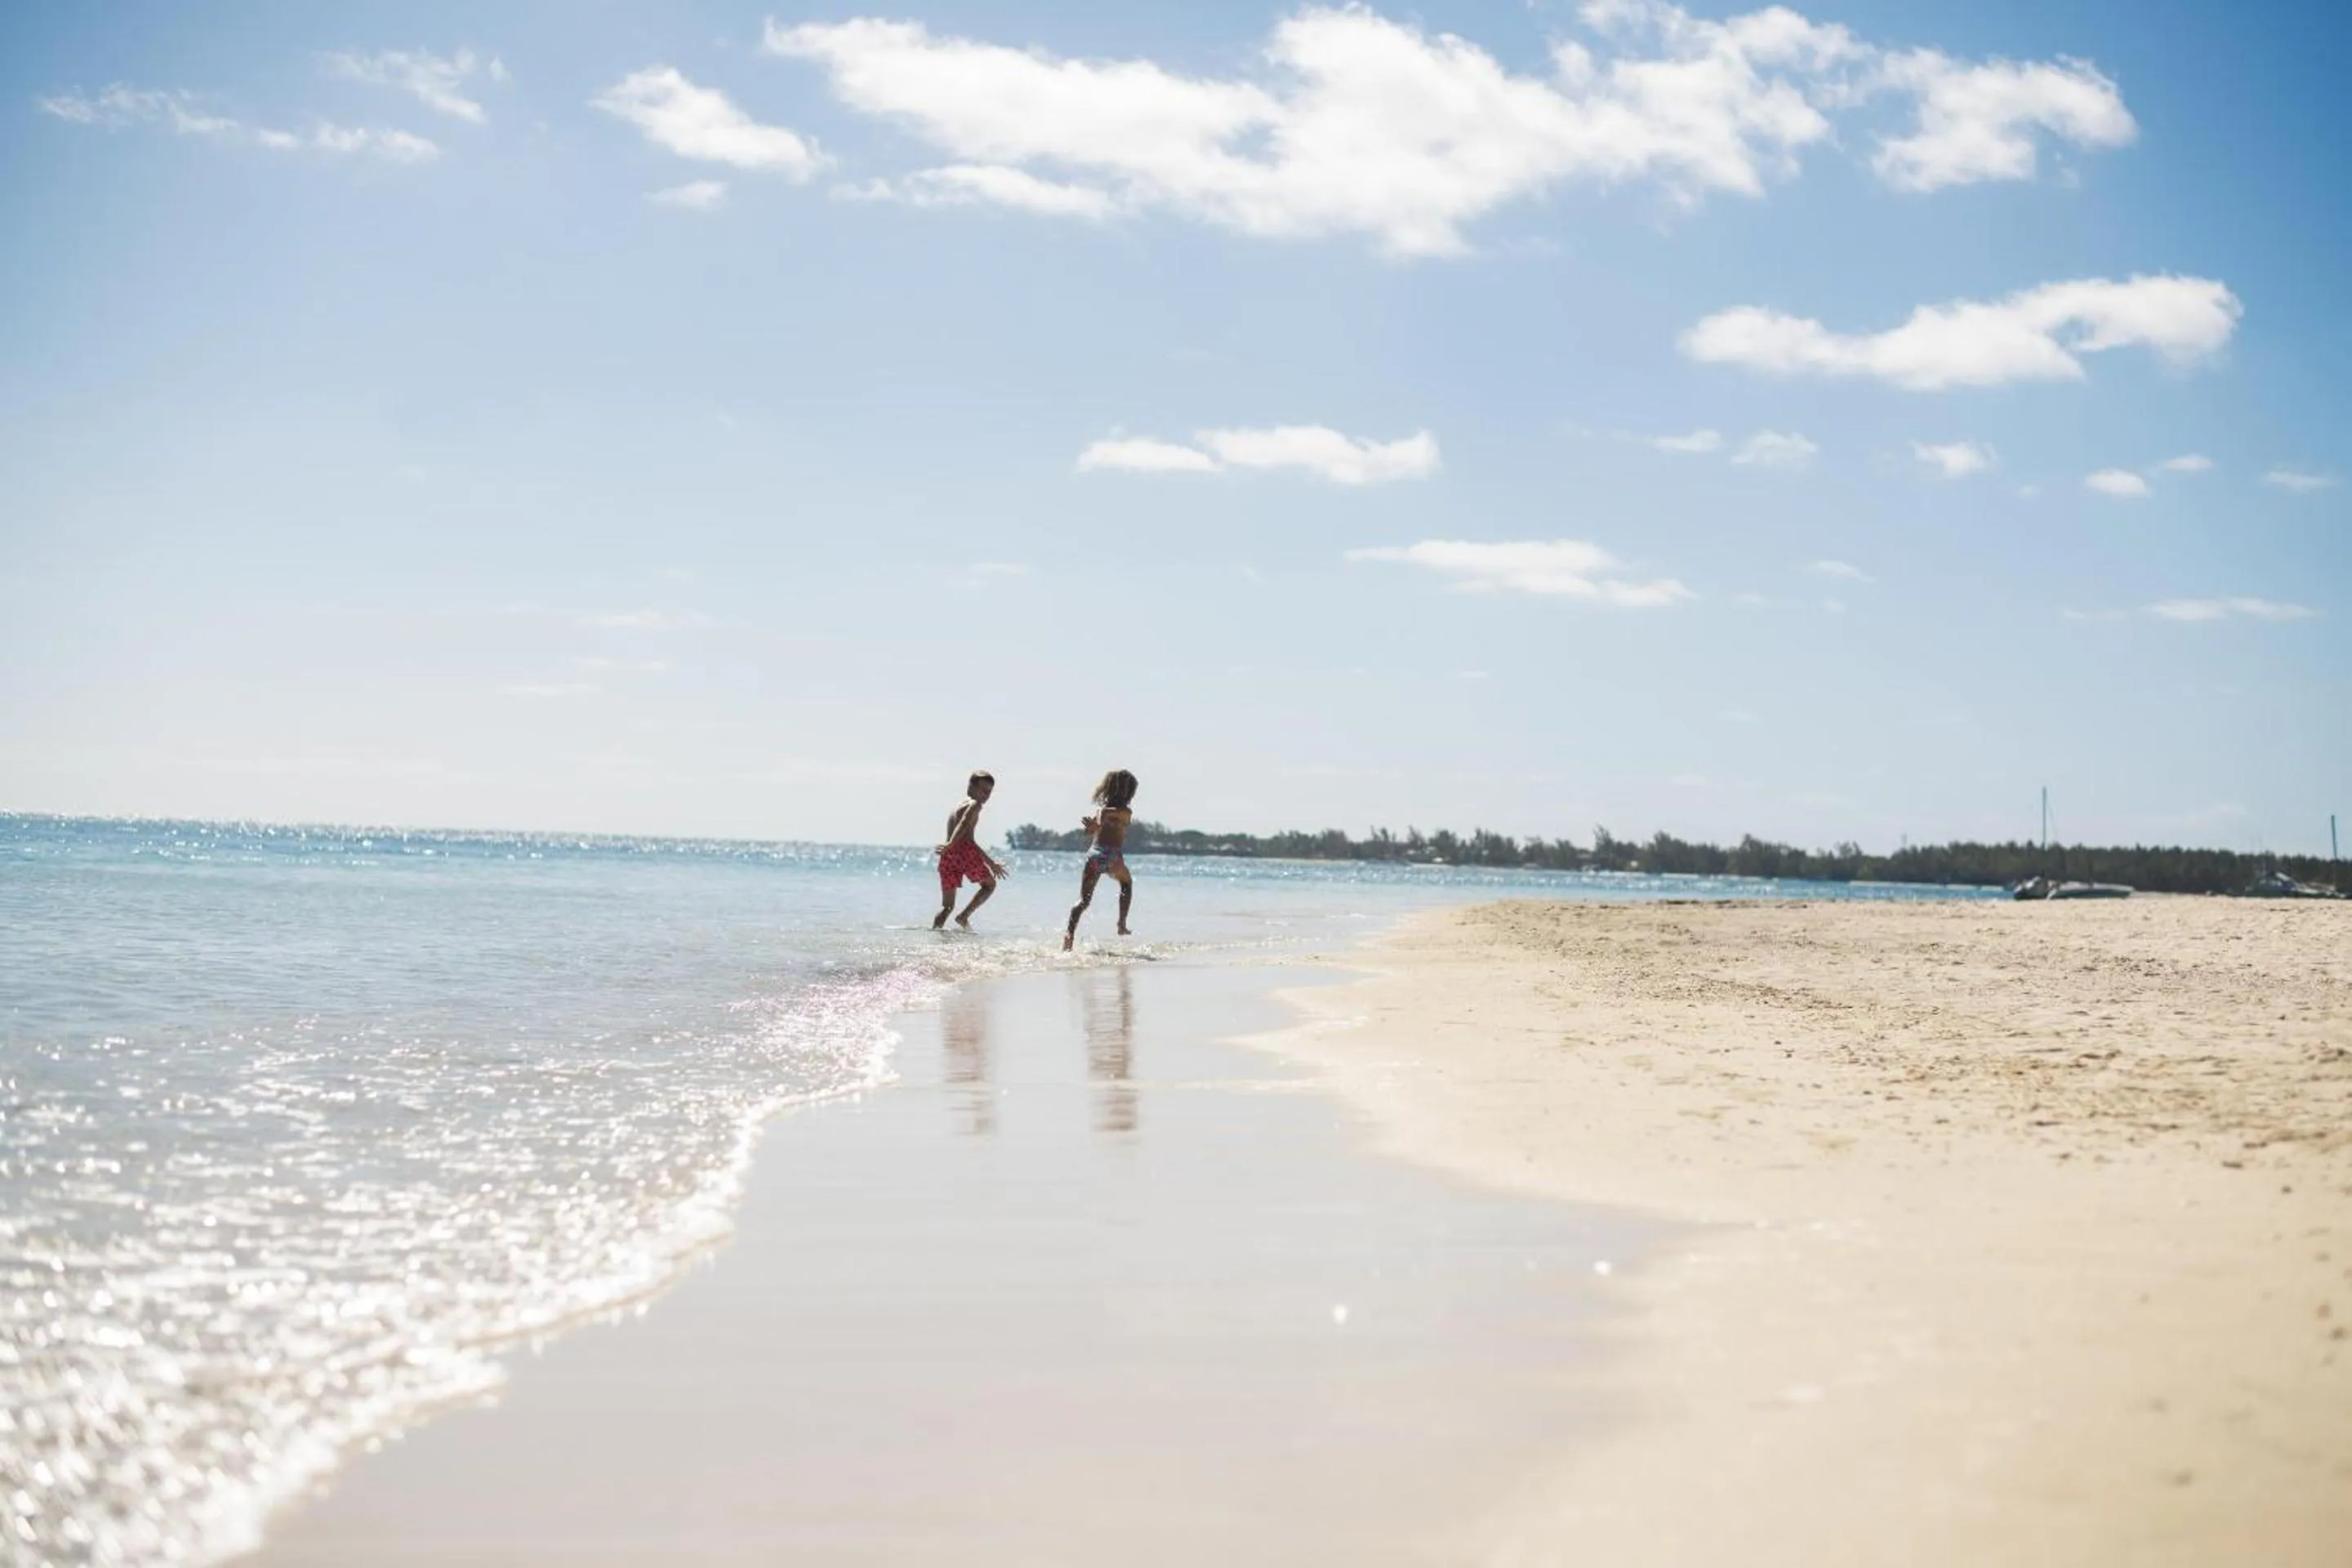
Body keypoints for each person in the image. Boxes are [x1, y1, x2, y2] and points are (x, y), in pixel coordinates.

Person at [1063, 769, 1138, 951]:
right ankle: (1121, 923)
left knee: (1083, 901)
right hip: (1113, 857)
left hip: (1095, 856)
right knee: (1126, 884)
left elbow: (1094, 830)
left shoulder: (1101, 810)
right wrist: (1096, 826)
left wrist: (1094, 827)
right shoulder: (1125, 811)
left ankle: (1069, 934)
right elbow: (1120, 819)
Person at [933, 771, 1007, 930]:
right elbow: (965, 830)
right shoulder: (975, 804)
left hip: (948, 856)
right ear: (971, 787)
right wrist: (991, 862)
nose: (986, 796)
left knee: (947, 907)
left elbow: (965, 832)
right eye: (983, 790)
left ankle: (935, 934)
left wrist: (948, 846)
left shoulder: (956, 807)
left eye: (989, 792)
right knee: (989, 886)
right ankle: (963, 917)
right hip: (963, 852)